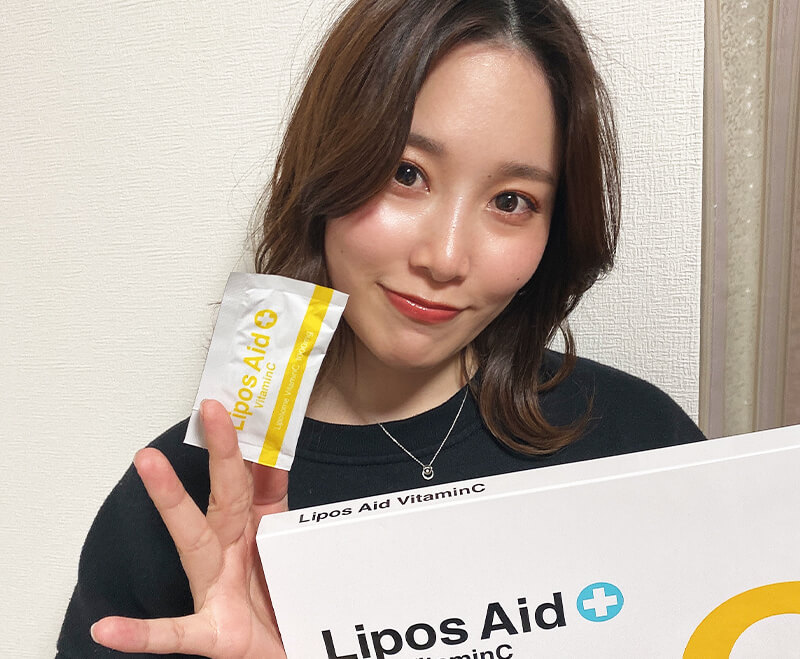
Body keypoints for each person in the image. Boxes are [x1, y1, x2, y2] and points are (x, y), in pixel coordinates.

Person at [57, 0, 705, 656]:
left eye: (511, 201)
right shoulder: (181, 505)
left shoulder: (640, 444)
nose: (445, 258)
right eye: (406, 173)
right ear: (326, 165)